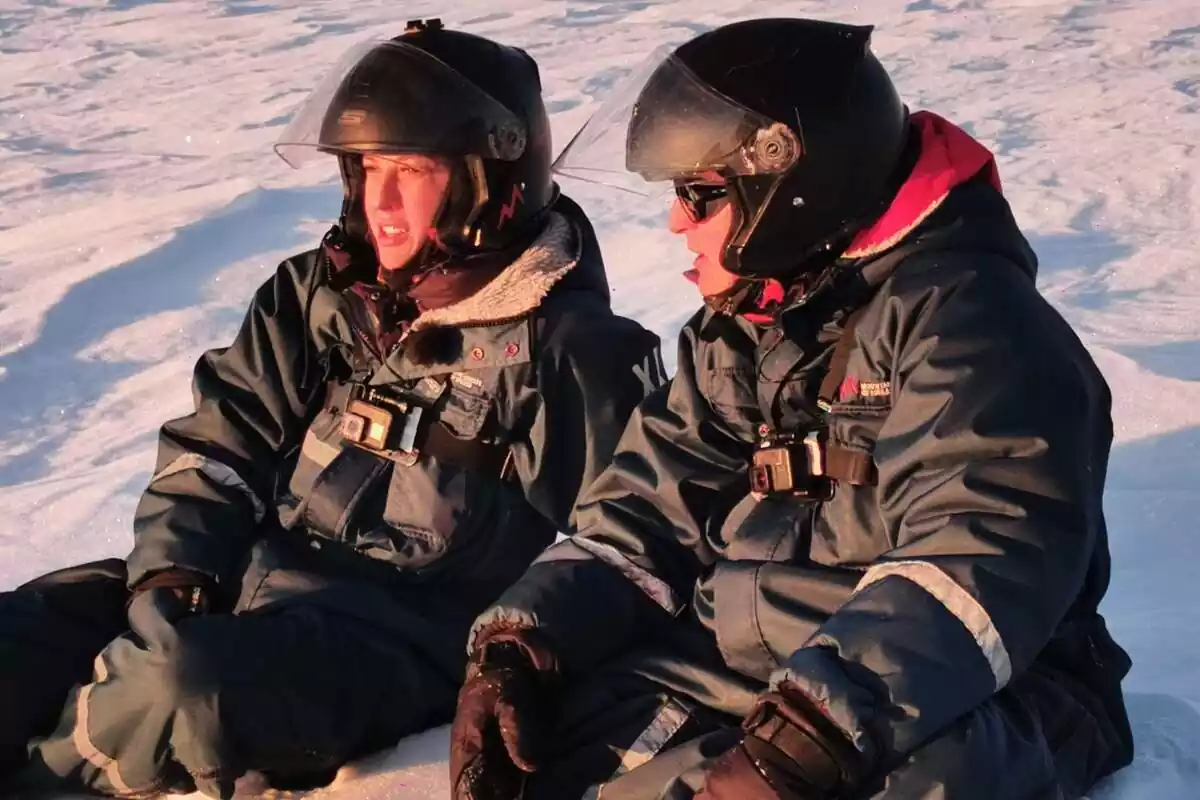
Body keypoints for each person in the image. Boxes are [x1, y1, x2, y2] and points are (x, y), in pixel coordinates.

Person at [449, 17, 1135, 800]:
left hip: (969, 683)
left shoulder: (977, 328)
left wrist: (809, 738)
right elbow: (643, 516)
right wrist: (522, 644)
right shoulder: (746, 326)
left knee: (919, 782)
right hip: (755, 663)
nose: (677, 222)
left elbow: (974, 563)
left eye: (700, 196)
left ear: (791, 190)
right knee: (538, 748)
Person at [0, 19, 664, 798]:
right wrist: (172, 580)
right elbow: (219, 445)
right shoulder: (320, 293)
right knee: (23, 639)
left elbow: (633, 540)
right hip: (240, 587)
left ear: (488, 181)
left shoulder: (575, 352)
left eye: (408, 171)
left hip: (387, 647)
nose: (378, 200)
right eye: (366, 168)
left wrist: (521, 654)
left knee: (179, 690)